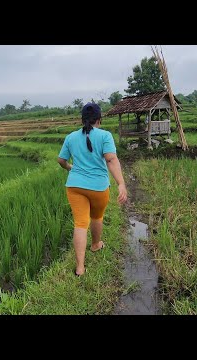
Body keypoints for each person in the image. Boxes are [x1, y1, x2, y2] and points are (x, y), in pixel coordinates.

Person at [57, 102, 128, 276]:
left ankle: (80, 268)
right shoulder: (105, 136)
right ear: (99, 120)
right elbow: (111, 160)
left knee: (80, 223)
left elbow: (61, 160)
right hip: (98, 187)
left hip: (74, 186)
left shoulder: (71, 137)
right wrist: (121, 183)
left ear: (82, 119)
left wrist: (70, 168)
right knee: (96, 217)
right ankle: (96, 245)